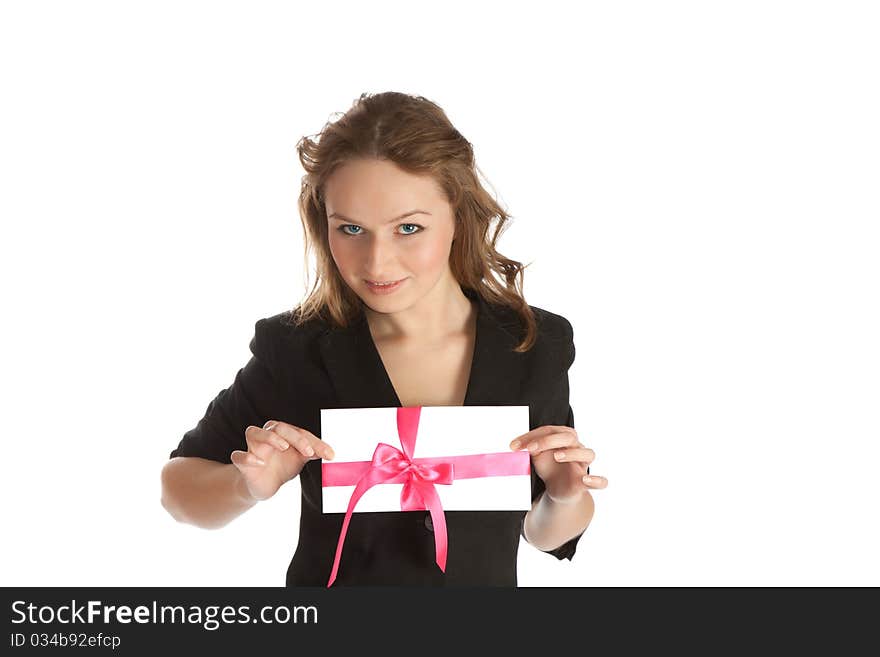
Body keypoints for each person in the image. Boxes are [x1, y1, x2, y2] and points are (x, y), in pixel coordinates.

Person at [161, 91, 608, 586]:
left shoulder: (534, 343)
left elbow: (544, 534)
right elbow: (177, 491)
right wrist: (246, 486)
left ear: (458, 217)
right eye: (350, 228)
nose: (376, 264)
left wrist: (564, 496)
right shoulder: (296, 348)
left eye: (408, 228)